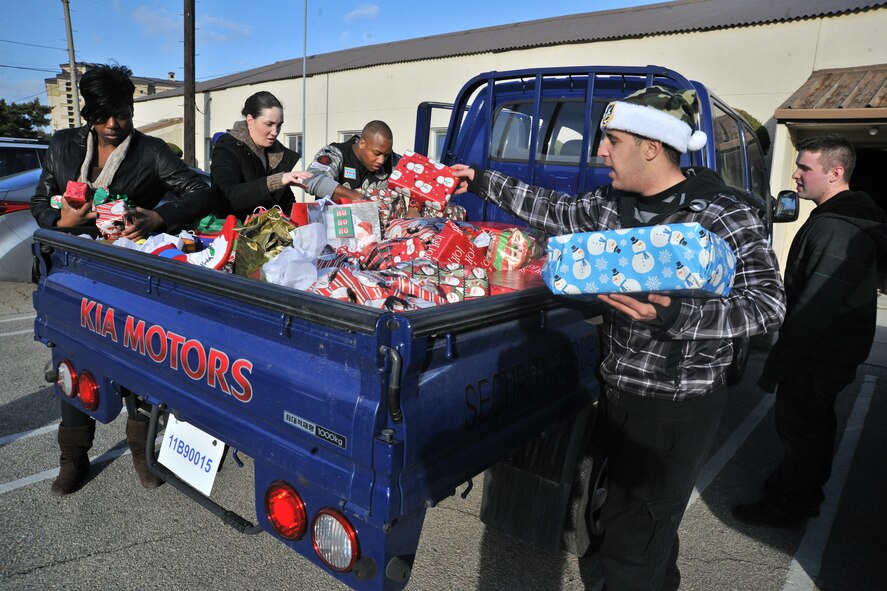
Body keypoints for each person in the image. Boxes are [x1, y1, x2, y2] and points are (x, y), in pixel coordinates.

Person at [450, 86, 786, 590]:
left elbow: (768, 304)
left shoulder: (721, 214)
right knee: (607, 525)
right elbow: (553, 209)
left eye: (611, 139)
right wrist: (480, 180)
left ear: (652, 145)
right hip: (616, 393)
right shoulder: (612, 204)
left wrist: (679, 318)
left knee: (634, 547)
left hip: (676, 409)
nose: (599, 150)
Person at [31, 63, 213, 496]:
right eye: (102, 116)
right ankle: (73, 458)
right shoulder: (62, 146)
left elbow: (201, 190)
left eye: (122, 114)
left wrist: (157, 216)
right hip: (68, 274)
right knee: (72, 363)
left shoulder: (150, 151)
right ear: (89, 113)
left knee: (139, 365)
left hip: (125, 277)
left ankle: (141, 452)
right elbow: (40, 200)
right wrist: (62, 219)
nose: (113, 125)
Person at [734, 134, 887, 528]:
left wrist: (776, 367)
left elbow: (813, 310)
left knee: (801, 431)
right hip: (829, 354)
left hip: (818, 355)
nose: (795, 175)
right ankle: (805, 495)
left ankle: (788, 505)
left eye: (804, 167)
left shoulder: (837, 228)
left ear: (835, 173)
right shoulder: (838, 218)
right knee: (815, 426)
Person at [209, 91, 313, 220]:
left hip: (270, 235)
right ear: (250, 121)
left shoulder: (277, 154)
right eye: (269, 124)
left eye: (279, 125)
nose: (275, 132)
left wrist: (303, 219)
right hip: (234, 235)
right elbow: (226, 197)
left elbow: (286, 203)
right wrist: (276, 181)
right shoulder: (226, 149)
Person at [303, 120, 399, 202]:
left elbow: (413, 177)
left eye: (386, 155)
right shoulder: (335, 153)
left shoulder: (392, 160)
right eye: (377, 153)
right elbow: (310, 179)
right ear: (362, 144)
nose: (381, 160)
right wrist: (355, 197)